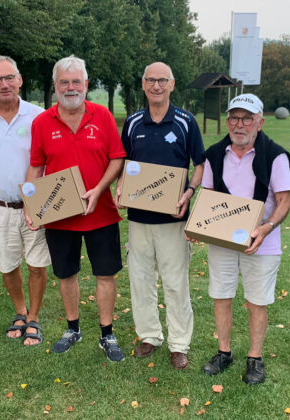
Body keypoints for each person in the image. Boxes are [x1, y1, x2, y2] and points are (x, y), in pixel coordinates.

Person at [25, 56, 126, 362]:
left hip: (102, 212)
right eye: (64, 82)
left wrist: (99, 189)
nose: (71, 88)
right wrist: (32, 206)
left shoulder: (103, 116)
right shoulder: (42, 123)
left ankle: (107, 333)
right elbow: (36, 166)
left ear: (86, 83)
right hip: (60, 215)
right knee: (66, 274)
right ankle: (73, 328)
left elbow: (117, 158)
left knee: (105, 274)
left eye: (76, 81)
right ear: (56, 86)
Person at [116, 62, 205, 370]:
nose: (156, 86)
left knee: (176, 283)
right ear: (143, 84)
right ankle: (149, 336)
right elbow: (124, 163)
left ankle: (179, 344)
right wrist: (121, 188)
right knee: (140, 280)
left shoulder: (185, 121)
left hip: (174, 219)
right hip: (139, 219)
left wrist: (190, 192)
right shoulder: (132, 122)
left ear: (172, 83)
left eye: (162, 80)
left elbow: (201, 164)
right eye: (151, 80)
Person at [199, 93, 290, 384]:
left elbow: (284, 200)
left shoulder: (275, 155)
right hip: (223, 240)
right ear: (228, 121)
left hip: (262, 241)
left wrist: (265, 229)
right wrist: (200, 226)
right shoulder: (214, 154)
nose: (240, 124)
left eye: (248, 118)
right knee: (221, 296)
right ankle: (224, 352)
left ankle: (254, 358)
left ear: (260, 122)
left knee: (257, 301)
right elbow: (208, 196)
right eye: (235, 118)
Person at [0, 56, 51, 346]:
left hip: (35, 207)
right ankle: (20, 310)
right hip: (0, 207)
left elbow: (46, 162)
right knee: (8, 265)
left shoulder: (39, 115)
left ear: (20, 80)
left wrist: (32, 197)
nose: (4, 84)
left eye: (9, 78)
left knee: (37, 265)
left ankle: (34, 317)